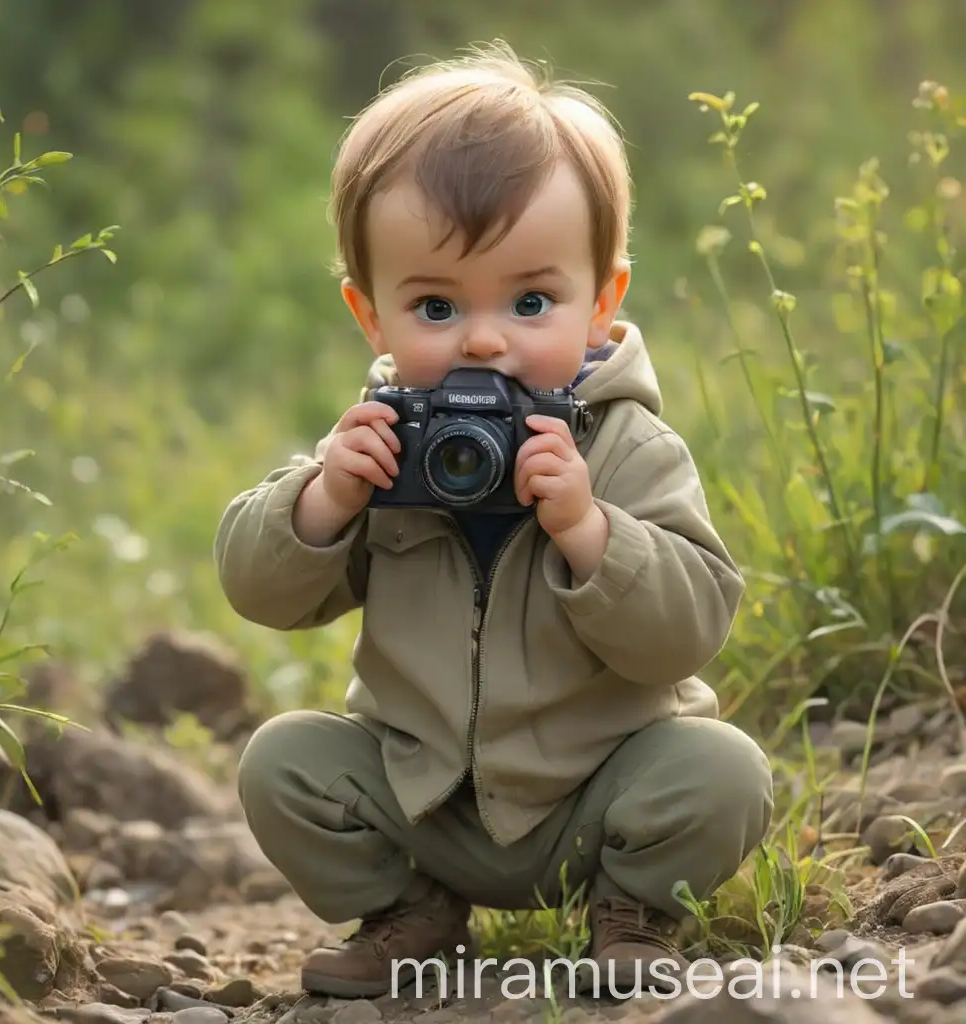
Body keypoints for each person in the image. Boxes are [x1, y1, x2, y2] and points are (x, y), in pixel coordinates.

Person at [214, 40, 773, 1001]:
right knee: (283, 764)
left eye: (530, 300)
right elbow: (259, 591)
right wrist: (326, 500)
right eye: (434, 304)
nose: (483, 338)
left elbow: (694, 626)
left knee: (722, 771)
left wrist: (589, 529)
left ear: (602, 304)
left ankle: (631, 911)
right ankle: (411, 914)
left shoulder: (627, 449)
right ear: (371, 317)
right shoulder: (384, 443)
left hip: (598, 801)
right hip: (423, 799)